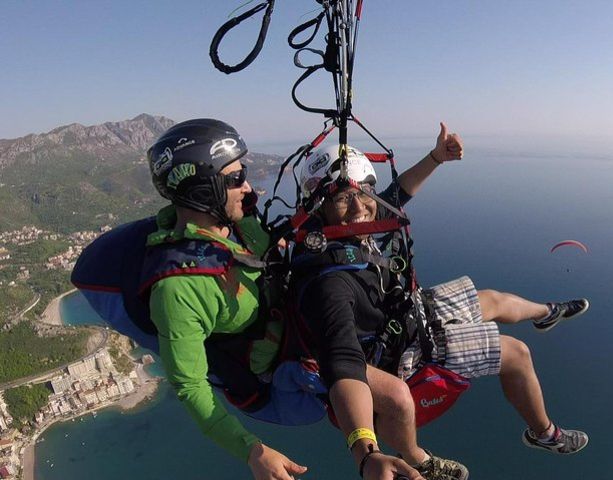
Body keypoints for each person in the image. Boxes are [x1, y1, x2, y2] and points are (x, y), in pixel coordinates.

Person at [293, 123, 591, 478]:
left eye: (364, 194)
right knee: (517, 354)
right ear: (320, 208)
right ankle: (545, 434)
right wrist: (364, 452)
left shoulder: (352, 229)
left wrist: (436, 157)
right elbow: (341, 362)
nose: (360, 206)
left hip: (404, 312)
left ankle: (546, 313)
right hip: (399, 348)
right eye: (343, 198)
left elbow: (398, 192)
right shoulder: (331, 283)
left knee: (491, 300)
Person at [142, 118, 422, 480]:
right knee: (398, 395)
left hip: (296, 320)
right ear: (201, 190)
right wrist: (253, 451)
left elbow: (357, 214)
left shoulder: (237, 226)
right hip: (282, 370)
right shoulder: (179, 288)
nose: (248, 187)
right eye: (235, 179)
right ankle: (404, 458)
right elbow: (190, 387)